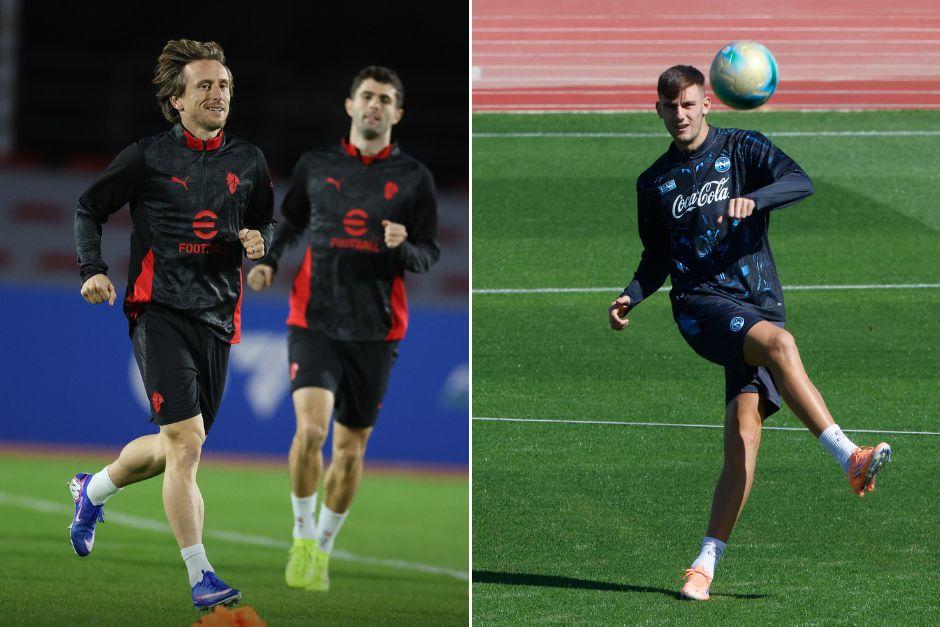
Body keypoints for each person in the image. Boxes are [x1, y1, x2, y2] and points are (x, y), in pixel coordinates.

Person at [608, 65, 891, 602]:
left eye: (688, 105)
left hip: (759, 304)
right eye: (669, 107)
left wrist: (754, 199)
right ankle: (848, 456)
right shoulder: (653, 183)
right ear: (658, 110)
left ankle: (703, 565)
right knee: (781, 347)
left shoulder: (744, 149)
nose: (679, 115)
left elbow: (800, 181)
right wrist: (633, 293)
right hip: (699, 306)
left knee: (743, 440)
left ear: (707, 103)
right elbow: (657, 257)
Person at [70, 39, 274, 612]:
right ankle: (200, 574)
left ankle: (95, 488)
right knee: (187, 444)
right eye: (205, 85)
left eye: (225, 85)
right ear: (176, 100)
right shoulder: (146, 156)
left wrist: (262, 241)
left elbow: (264, 220)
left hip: (218, 316)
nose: (218, 94)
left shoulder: (249, 160)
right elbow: (89, 205)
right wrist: (93, 268)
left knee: (171, 446)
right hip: (157, 310)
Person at [246, 66, 439, 592]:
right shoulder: (317, 165)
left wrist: (405, 246)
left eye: (385, 99)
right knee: (310, 431)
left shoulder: (415, 178)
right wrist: (268, 262)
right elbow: (290, 224)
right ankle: (302, 537)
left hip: (377, 330)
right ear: (350, 105)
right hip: (314, 320)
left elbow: (428, 254)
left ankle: (323, 550)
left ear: (397, 114)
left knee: (350, 451)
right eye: (367, 96)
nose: (374, 105)